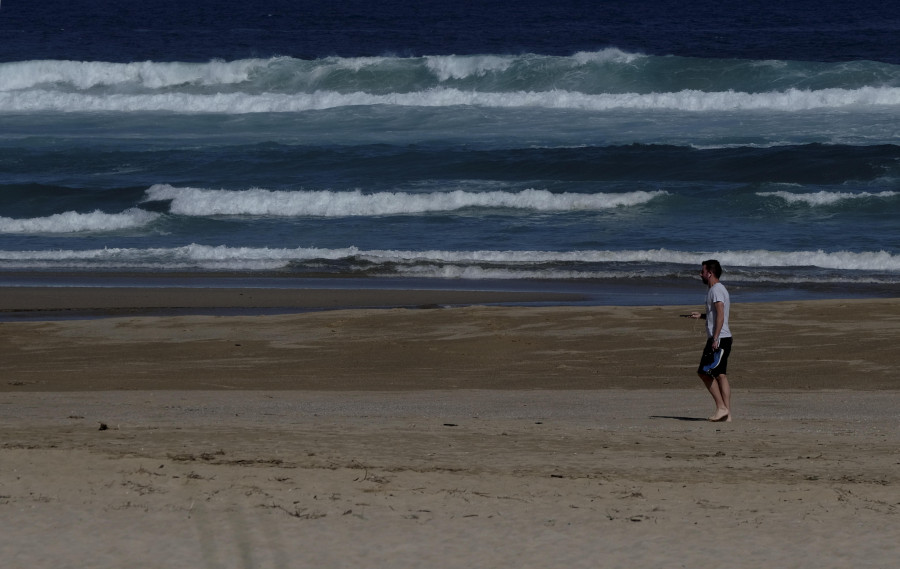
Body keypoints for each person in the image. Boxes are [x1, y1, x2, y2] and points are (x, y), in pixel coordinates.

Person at [688, 259, 733, 422]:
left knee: (704, 372)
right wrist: (702, 316)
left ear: (710, 273)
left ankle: (721, 408)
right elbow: (716, 315)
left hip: (719, 338)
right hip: (722, 337)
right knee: (720, 374)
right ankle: (727, 414)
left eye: (702, 271)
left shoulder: (716, 290)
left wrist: (715, 338)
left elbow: (721, 314)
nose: (700, 274)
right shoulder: (717, 290)